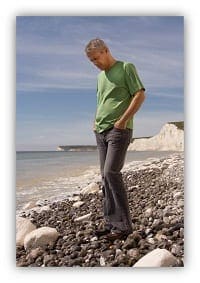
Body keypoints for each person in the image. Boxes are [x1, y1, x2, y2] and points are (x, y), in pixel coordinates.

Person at [85, 38, 145, 241]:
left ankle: (124, 226)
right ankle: (111, 224)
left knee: (111, 172)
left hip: (118, 130)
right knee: (104, 176)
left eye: (96, 58)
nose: (95, 63)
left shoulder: (126, 67)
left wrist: (122, 121)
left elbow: (139, 94)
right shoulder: (100, 77)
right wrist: (95, 121)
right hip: (100, 131)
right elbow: (101, 101)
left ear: (106, 50)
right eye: (91, 61)